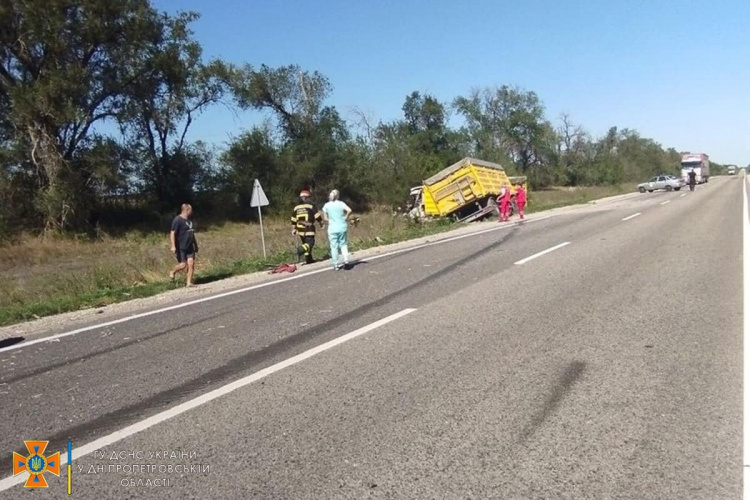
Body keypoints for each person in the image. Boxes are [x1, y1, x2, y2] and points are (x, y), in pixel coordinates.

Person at [322, 189, 353, 270]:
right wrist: (345, 217)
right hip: (342, 226)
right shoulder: (341, 203)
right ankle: (346, 261)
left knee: (334, 246)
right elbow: (349, 210)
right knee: (343, 244)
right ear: (338, 196)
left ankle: (336, 264)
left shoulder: (326, 205)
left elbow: (325, 218)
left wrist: (331, 220)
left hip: (332, 228)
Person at [169, 203, 198, 287]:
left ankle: (188, 283)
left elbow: (191, 233)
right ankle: (173, 271)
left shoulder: (189, 221)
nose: (191, 212)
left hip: (190, 246)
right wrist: (173, 245)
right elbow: (172, 233)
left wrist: (195, 244)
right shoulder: (177, 220)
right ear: (186, 210)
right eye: (191, 210)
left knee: (191, 264)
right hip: (181, 246)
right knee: (183, 265)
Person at [291, 190, 323, 264]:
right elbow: (317, 216)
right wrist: (321, 223)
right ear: (307, 198)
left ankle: (308, 259)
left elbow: (293, 220)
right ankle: (300, 249)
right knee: (310, 243)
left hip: (300, 229)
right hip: (309, 228)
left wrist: (294, 229)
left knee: (305, 243)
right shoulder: (311, 206)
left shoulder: (296, 208)